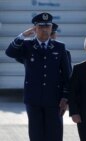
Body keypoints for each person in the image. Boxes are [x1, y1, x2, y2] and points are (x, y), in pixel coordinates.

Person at [5, 12, 71, 141]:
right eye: (41, 26)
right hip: (33, 99)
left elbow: (67, 75)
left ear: (51, 28)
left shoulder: (60, 47)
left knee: (55, 135)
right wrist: (23, 35)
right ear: (35, 28)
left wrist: (65, 97)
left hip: (54, 100)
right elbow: (10, 52)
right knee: (36, 136)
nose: (45, 29)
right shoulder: (27, 46)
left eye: (48, 26)